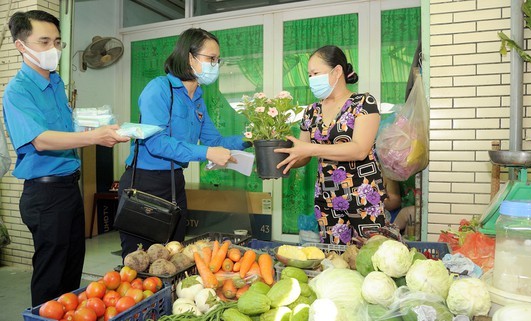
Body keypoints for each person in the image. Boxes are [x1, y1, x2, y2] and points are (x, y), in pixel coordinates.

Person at [2, 10, 130, 306]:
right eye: (44, 41)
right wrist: (94, 137)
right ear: (21, 46)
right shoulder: (18, 91)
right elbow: (41, 139)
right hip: (45, 193)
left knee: (72, 271)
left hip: (68, 187)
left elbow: (65, 128)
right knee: (51, 277)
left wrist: (97, 125)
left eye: (57, 41)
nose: (54, 49)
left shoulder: (56, 83)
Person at [118, 28, 250, 258]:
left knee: (175, 255)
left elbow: (214, 141)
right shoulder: (159, 89)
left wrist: (251, 140)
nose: (215, 65)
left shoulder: (198, 98)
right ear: (190, 57)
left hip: (174, 182)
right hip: (145, 183)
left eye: (218, 59)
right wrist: (207, 152)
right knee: (141, 260)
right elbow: (156, 143)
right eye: (211, 58)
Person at [276, 45, 388, 244]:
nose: (311, 79)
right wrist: (283, 161)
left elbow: (359, 149)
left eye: (316, 73)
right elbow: (304, 153)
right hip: (327, 199)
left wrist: (312, 148)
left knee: (371, 256)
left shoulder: (363, 103)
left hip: (362, 197)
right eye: (309, 75)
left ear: (337, 71)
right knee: (335, 260)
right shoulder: (312, 111)